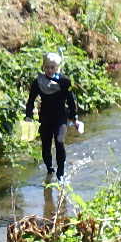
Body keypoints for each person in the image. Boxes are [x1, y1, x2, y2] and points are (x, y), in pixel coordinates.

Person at [24, 51, 77, 180]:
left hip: (60, 118)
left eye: (52, 67)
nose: (49, 70)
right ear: (43, 67)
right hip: (45, 118)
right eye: (47, 67)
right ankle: (49, 169)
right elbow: (31, 100)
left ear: (57, 68)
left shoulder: (64, 82)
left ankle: (61, 171)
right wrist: (28, 116)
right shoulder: (38, 82)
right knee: (46, 146)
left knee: (59, 141)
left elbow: (71, 101)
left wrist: (74, 117)